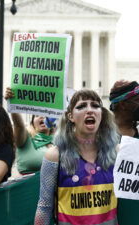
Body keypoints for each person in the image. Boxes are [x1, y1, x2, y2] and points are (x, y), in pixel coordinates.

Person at [35, 89, 120, 225]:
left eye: (95, 105)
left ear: (102, 115)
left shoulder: (117, 152)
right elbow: (44, 206)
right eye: (81, 106)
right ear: (71, 117)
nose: (90, 110)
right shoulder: (54, 155)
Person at [5, 87, 56, 175]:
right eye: (37, 115)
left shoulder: (59, 140)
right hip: (30, 187)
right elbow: (19, 125)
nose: (41, 116)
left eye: (45, 114)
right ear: (32, 124)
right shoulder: (27, 138)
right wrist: (12, 103)